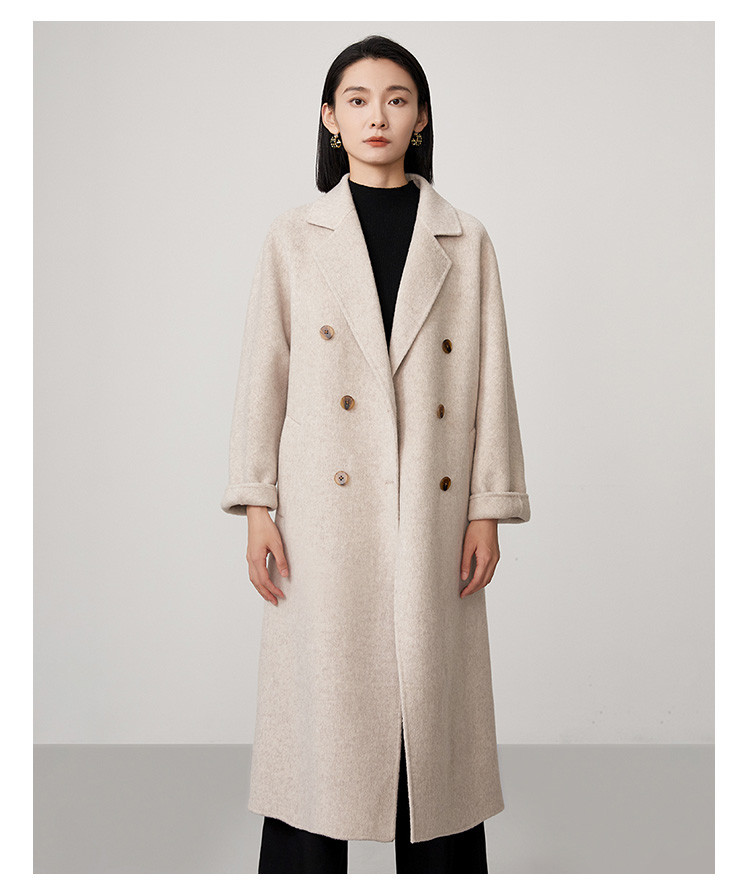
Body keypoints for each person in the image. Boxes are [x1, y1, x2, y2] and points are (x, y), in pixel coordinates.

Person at [221, 34, 531, 874]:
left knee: (431, 727)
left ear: (421, 117)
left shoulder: (465, 238)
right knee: (320, 727)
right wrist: (257, 505)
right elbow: (263, 374)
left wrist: (487, 509)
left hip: (433, 509)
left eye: (397, 99)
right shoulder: (295, 237)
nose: (377, 116)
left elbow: (490, 380)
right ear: (329, 118)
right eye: (356, 100)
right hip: (324, 517)